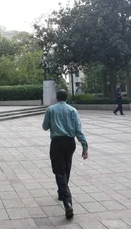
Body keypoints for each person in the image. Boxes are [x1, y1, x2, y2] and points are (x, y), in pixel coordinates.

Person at [42, 89, 88, 219]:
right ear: (66, 98)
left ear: (56, 98)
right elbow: (78, 130)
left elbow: (45, 126)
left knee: (59, 171)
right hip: (70, 142)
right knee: (66, 167)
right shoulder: (73, 111)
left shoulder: (50, 110)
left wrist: (53, 123)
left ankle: (67, 202)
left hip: (57, 142)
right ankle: (62, 193)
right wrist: (84, 146)